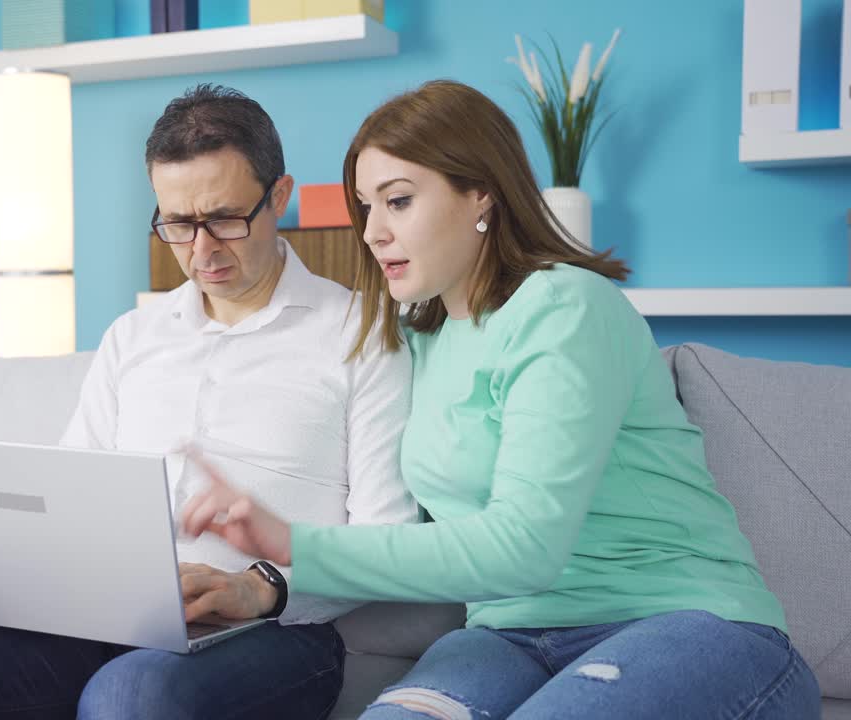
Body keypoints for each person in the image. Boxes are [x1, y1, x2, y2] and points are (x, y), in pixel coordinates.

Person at [180, 79, 822, 720]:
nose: (373, 232)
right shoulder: (415, 338)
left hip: (681, 620)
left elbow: (525, 547)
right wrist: (261, 583)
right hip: (506, 636)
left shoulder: (564, 307)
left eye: (398, 201)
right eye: (365, 207)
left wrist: (290, 542)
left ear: (480, 192)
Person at [0, 84, 417, 720]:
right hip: (103, 620)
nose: (201, 251)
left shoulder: (363, 334)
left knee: (130, 697)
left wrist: (260, 587)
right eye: (178, 224)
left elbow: (389, 536)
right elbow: (70, 492)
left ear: (281, 197)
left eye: (225, 219)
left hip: (276, 633)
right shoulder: (133, 338)